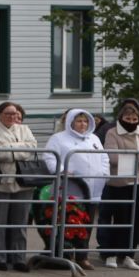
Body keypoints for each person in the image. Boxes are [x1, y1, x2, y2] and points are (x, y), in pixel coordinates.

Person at [44, 109, 107, 268]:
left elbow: (104, 157)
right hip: (70, 189)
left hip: (93, 189)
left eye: (85, 121)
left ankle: (82, 256)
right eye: (79, 121)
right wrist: (62, 170)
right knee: (68, 222)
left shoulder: (94, 138)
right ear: (70, 122)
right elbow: (50, 157)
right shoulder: (58, 138)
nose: (82, 124)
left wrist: (104, 173)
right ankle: (64, 255)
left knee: (87, 223)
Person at [0, 102, 40, 271]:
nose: (12, 117)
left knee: (20, 222)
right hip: (1, 183)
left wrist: (9, 148)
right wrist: (18, 148)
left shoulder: (25, 129)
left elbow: (32, 148)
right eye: (8, 113)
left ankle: (18, 258)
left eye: (14, 114)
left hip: (23, 183)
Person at [100, 99, 139, 268]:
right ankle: (111, 254)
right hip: (120, 182)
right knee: (120, 219)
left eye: (134, 119)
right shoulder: (112, 133)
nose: (131, 122)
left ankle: (128, 255)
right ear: (121, 117)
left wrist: (132, 157)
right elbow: (113, 158)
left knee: (137, 219)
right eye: (128, 119)